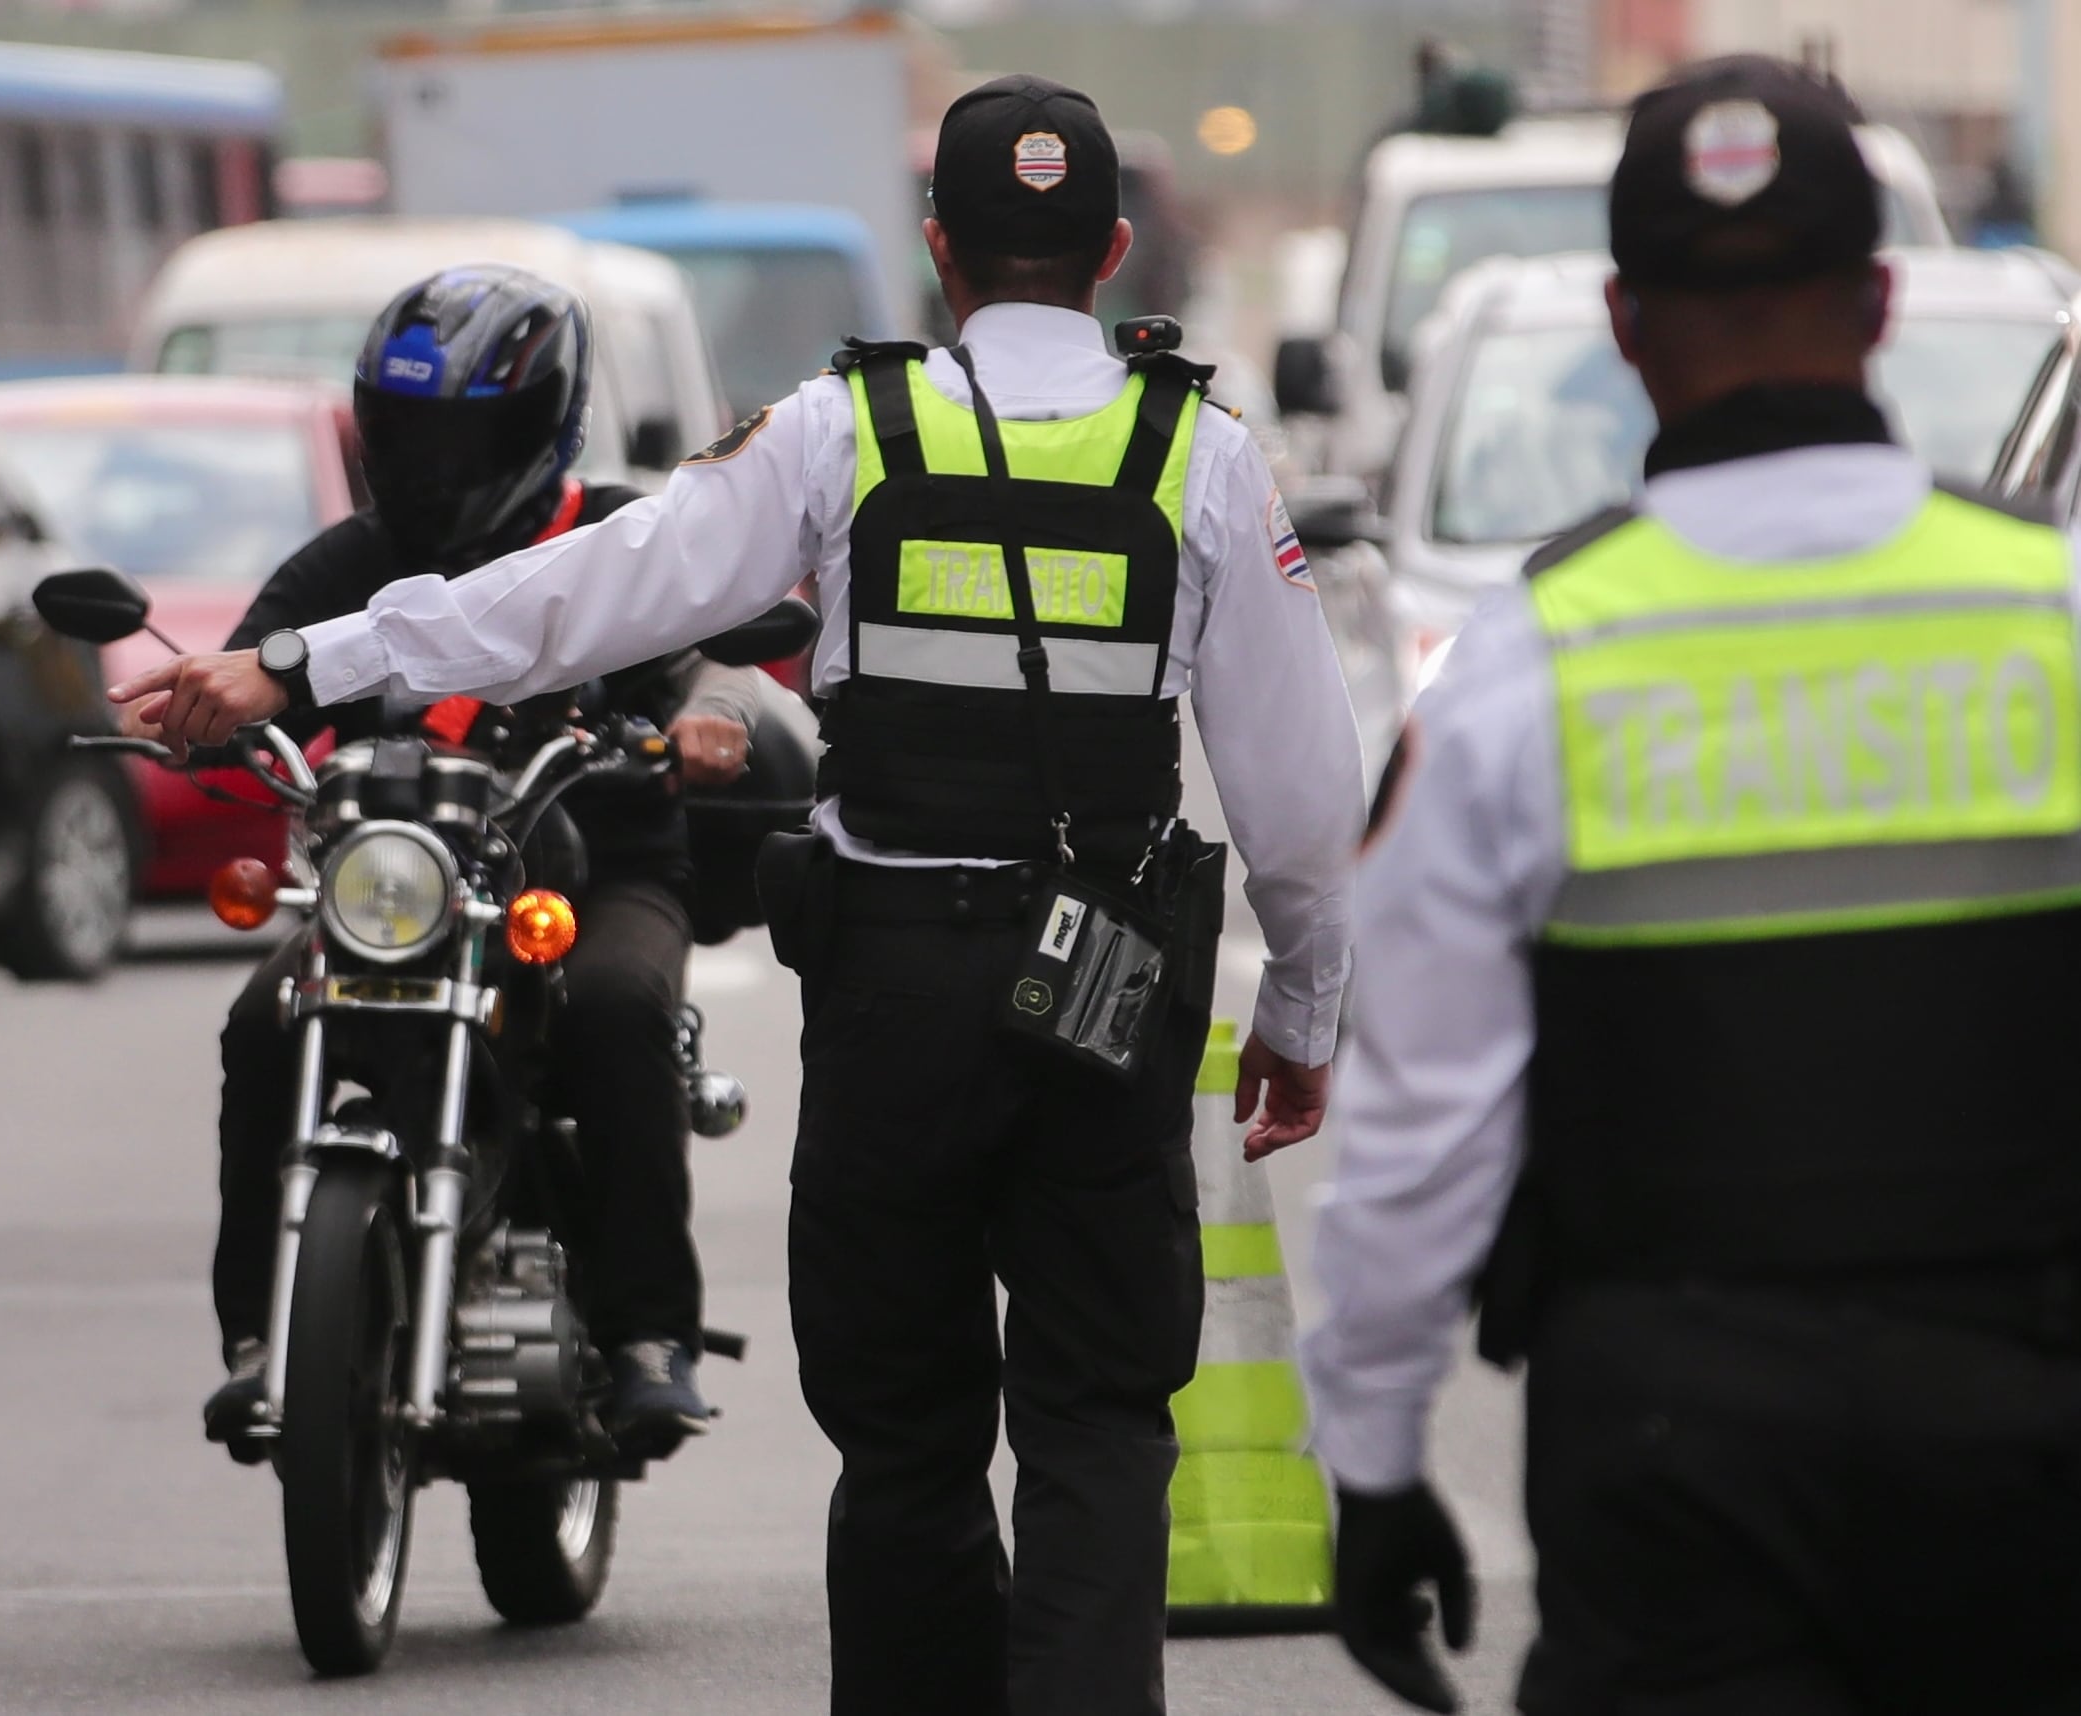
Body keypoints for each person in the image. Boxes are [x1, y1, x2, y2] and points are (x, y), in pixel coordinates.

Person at [115, 77, 1363, 1715]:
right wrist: (1300, 1012)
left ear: (940, 253)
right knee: (1097, 1419)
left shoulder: (842, 429)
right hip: (1106, 975)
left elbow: (572, 600)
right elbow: (1304, 799)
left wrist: (299, 663)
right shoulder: (1202, 457)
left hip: (896, 986)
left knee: (908, 1433)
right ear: (1117, 249)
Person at [1302, 56, 2081, 1715]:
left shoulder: (1518, 672)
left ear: (1625, 324)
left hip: (1673, 1444)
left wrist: (1369, 1463)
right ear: (1878, 303)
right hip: (2029, 1419)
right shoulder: (2056, 621)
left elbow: (1420, 1126)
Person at [195, 264, 767, 1458]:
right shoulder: (339, 567)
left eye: (472, 436)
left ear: (544, 425)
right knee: (263, 1022)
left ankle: (649, 1336)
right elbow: (253, 678)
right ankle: (259, 1342)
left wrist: (711, 720)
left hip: (596, 870)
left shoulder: (617, 534)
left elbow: (724, 653)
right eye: (407, 434)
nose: (434, 464)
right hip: (400, 891)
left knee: (614, 1009)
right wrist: (202, 717)